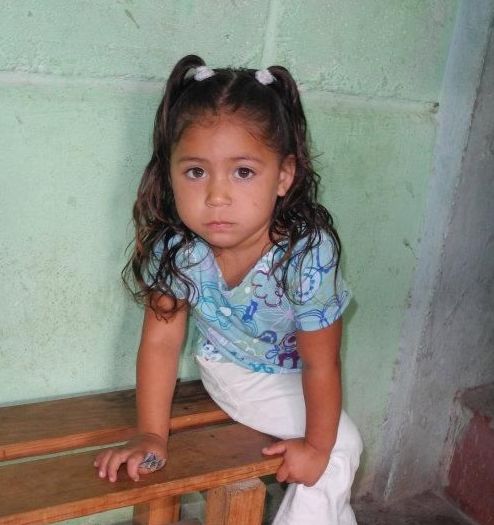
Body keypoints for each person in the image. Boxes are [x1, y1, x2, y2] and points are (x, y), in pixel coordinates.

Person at [94, 54, 363, 524]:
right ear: (170, 173)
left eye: (243, 172)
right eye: (196, 171)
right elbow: (160, 343)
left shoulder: (307, 254)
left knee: (331, 450)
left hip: (295, 375)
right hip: (233, 369)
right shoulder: (177, 249)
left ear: (284, 176)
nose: (217, 196)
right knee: (344, 448)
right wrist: (152, 435)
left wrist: (315, 447)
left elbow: (321, 361)